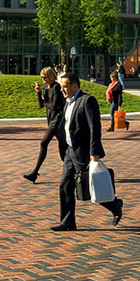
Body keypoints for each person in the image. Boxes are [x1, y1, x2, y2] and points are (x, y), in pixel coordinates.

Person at [50, 70, 123, 231]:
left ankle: (114, 204)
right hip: (70, 151)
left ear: (75, 85)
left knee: (90, 185)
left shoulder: (87, 101)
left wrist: (94, 152)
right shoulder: (67, 102)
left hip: (84, 152)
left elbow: (94, 128)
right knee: (65, 185)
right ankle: (67, 222)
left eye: (64, 87)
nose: (61, 90)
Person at [24, 68, 64, 183]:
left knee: (43, 143)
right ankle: (79, 169)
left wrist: (45, 102)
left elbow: (55, 106)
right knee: (64, 149)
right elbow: (42, 105)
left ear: (50, 76)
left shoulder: (56, 87)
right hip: (51, 119)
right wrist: (39, 92)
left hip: (57, 120)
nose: (43, 80)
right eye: (42, 78)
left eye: (44, 77)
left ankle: (34, 173)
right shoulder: (46, 87)